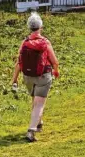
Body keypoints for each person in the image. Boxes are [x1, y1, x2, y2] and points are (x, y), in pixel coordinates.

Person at [11, 12, 60, 142]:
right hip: (43, 76)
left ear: (29, 27)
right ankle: (31, 131)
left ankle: (38, 122)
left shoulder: (25, 42)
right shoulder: (45, 42)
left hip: (27, 76)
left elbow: (19, 62)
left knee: (35, 100)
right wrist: (56, 71)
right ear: (41, 27)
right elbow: (54, 61)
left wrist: (14, 79)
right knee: (39, 103)